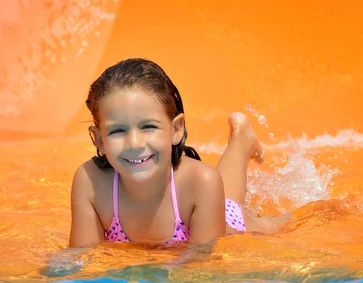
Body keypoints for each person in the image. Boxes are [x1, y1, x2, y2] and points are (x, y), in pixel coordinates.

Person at [69, 58, 278, 250]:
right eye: (117, 130)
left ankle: (241, 139)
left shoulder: (201, 182)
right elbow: (80, 259)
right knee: (226, 194)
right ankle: (241, 139)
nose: (134, 143)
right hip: (205, 201)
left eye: (148, 127)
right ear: (98, 140)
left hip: (227, 221)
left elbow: (202, 268)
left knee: (269, 220)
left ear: (176, 129)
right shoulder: (90, 182)